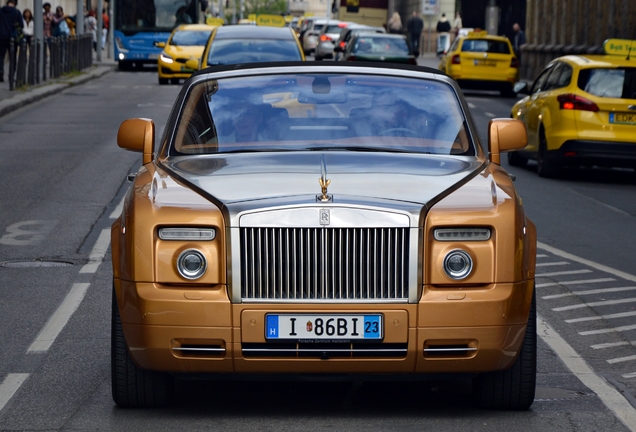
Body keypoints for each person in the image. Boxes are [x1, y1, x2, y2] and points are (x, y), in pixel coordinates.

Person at [0, 0, 23, 83]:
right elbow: (21, 25)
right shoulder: (16, 12)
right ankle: (11, 75)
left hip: (1, 36)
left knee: (1, 56)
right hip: (13, 38)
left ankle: (0, 73)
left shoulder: (1, 11)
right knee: (12, 57)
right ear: (15, 3)